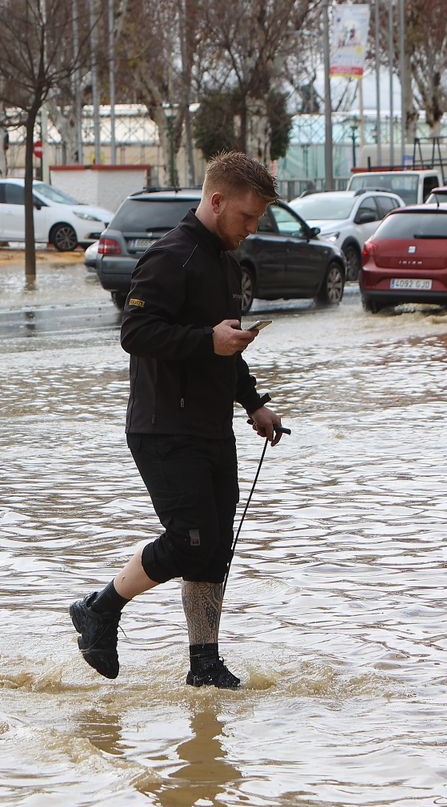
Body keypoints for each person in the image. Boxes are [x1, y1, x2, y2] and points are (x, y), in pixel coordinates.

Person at [69, 151, 285, 690]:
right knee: (190, 540)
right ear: (216, 201)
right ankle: (100, 606)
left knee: (213, 548)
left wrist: (252, 402)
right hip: (163, 426)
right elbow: (135, 334)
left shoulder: (226, 264)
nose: (251, 230)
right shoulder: (173, 256)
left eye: (258, 220)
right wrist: (206, 340)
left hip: (212, 427)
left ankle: (204, 662)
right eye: (247, 218)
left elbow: (225, 349)